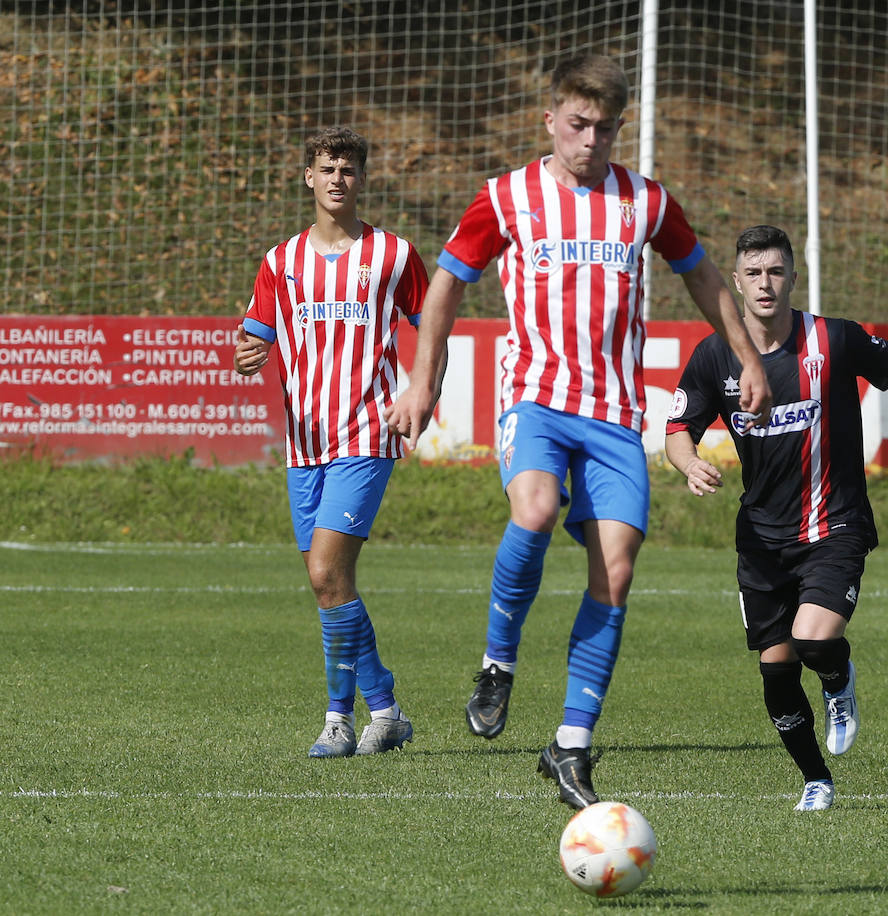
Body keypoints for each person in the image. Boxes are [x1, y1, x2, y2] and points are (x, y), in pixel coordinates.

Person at [385, 52, 771, 809]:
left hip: (614, 417)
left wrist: (747, 357)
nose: (590, 140)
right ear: (551, 120)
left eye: (605, 128)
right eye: (577, 124)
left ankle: (570, 747)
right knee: (531, 510)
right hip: (535, 401)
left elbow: (700, 273)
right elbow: (444, 286)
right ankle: (498, 662)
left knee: (616, 574)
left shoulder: (645, 202)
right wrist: (422, 383)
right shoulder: (507, 197)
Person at [665, 225, 888, 811]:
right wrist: (688, 465)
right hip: (761, 538)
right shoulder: (714, 356)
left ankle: (838, 682)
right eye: (753, 273)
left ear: (793, 276)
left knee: (814, 639)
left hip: (835, 522)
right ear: (735, 282)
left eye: (776, 271)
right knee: (777, 668)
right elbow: (676, 429)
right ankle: (816, 778)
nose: (766, 284)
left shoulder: (833, 340)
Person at [234, 126, 433, 759]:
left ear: (361, 177)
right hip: (303, 443)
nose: (337, 178)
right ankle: (388, 710)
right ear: (309, 178)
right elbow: (255, 335)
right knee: (329, 585)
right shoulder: (281, 262)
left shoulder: (393, 256)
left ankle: (337, 720)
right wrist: (248, 352)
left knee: (325, 572)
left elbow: (434, 330)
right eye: (326, 168)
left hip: (366, 433)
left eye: (347, 168)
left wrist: (420, 393)